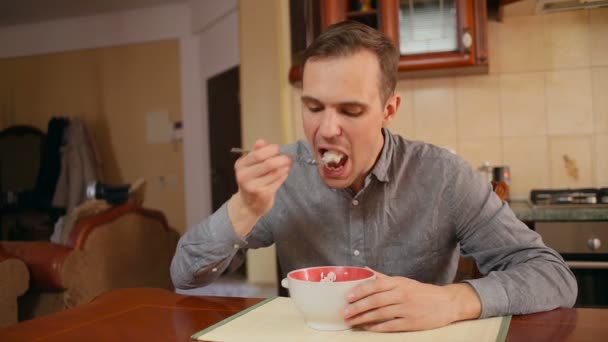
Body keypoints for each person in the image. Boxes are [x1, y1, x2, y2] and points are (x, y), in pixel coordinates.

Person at [171, 21, 577, 332]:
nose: (327, 129)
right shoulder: (284, 174)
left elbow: (553, 275)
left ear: (389, 109)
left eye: (350, 111)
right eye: (313, 107)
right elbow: (185, 277)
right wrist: (244, 208)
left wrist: (454, 300)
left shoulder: (444, 177)